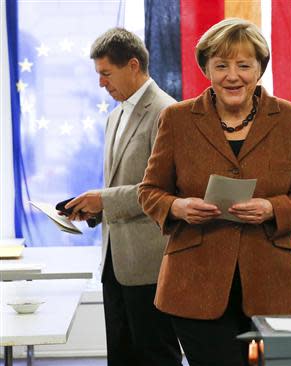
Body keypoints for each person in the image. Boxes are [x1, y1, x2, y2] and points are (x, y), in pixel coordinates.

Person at [138, 18, 291, 366]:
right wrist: (178, 207)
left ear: (260, 68)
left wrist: (272, 209)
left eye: (244, 65)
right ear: (207, 68)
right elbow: (150, 191)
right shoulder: (176, 119)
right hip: (193, 282)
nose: (232, 75)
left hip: (270, 281)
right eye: (221, 65)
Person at [65, 28, 182, 366]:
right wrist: (93, 209)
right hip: (115, 263)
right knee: (121, 356)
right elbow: (125, 184)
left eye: (106, 73)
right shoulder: (114, 116)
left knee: (156, 355)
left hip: (150, 264)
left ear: (133, 65)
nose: (101, 83)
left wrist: (104, 199)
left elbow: (166, 190)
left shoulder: (167, 112)